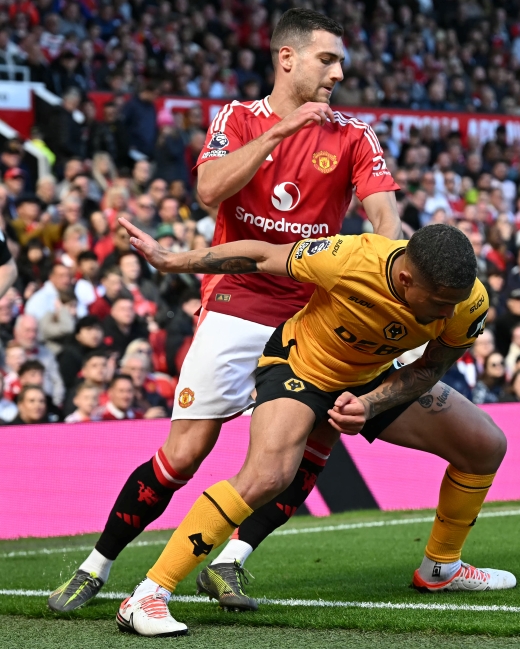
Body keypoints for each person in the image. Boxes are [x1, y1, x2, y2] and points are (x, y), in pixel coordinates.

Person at [49, 8, 404, 614]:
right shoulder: (239, 120)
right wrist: (280, 134)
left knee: (305, 447)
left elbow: (385, 222)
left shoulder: (353, 135)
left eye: (341, 61)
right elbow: (210, 190)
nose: (339, 73)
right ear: (286, 58)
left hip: (312, 313)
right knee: (185, 453)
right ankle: (96, 565)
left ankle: (231, 562)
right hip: (239, 300)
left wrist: (386, 265)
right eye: (328, 59)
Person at [113, 222, 513, 636]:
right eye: (439, 302)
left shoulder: (467, 302)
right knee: (268, 475)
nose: (449, 313)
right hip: (300, 367)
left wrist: (369, 403)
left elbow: (429, 367)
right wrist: (171, 260)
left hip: (369, 377)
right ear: (406, 278)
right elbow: (263, 255)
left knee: (485, 445)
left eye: (456, 302)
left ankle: (441, 567)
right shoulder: (348, 258)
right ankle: (146, 595)